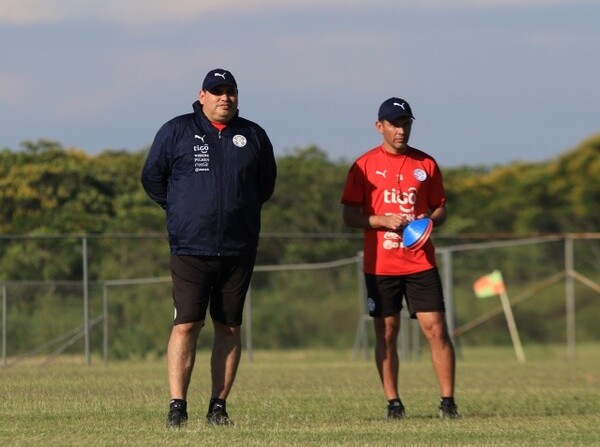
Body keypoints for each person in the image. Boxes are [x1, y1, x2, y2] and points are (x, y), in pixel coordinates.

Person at [141, 68, 277, 428]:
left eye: (230, 91)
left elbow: (265, 186)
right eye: (216, 91)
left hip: (238, 247)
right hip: (190, 247)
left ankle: (218, 406)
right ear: (201, 95)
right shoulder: (177, 130)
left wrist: (238, 212)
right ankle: (177, 406)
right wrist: (182, 210)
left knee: (229, 326)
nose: (224, 98)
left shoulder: (253, 135)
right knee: (187, 324)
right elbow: (152, 178)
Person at [340, 97, 459, 419]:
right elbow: (349, 216)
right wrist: (381, 220)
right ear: (380, 127)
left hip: (420, 261)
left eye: (405, 123)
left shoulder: (426, 164)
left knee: (436, 330)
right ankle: (393, 402)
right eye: (394, 123)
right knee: (387, 332)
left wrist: (428, 220)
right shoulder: (363, 165)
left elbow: (441, 208)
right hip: (381, 265)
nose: (400, 130)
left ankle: (448, 403)